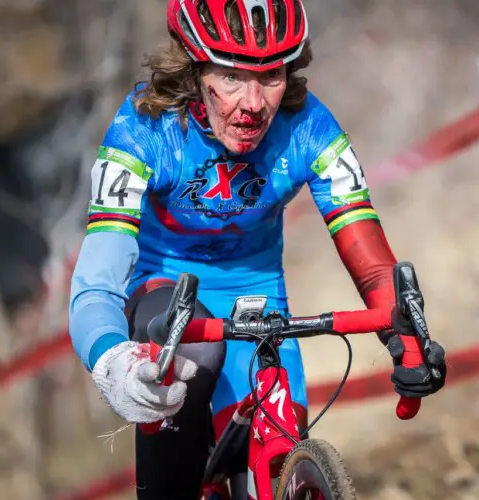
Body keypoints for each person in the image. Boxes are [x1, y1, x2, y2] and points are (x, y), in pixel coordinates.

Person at [68, 1, 448, 498]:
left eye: (270, 76)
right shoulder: (146, 126)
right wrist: (110, 357)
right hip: (164, 288)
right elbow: (96, 282)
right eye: (230, 77)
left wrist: (402, 335)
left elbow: (373, 262)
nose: (253, 103)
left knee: (279, 447)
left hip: (257, 291)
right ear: (194, 68)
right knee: (196, 353)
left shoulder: (309, 127)